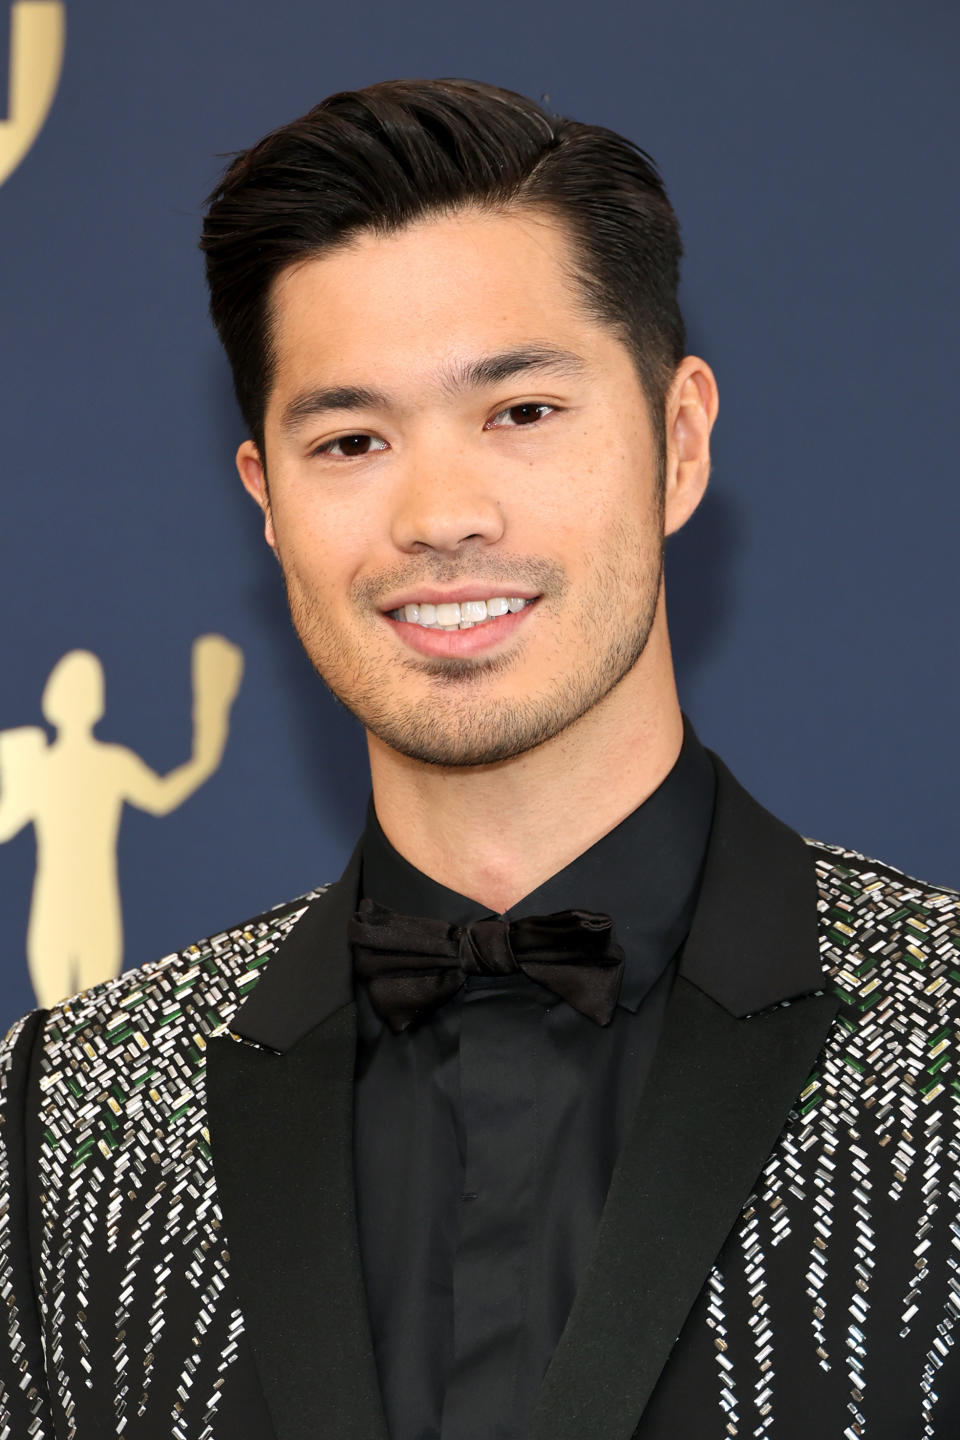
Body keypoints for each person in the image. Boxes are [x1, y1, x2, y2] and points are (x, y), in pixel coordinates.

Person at [0, 77, 956, 1440]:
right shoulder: (67, 1121)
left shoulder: (944, 1050)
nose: (440, 515)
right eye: (351, 441)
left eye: (520, 413)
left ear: (678, 444)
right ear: (265, 501)